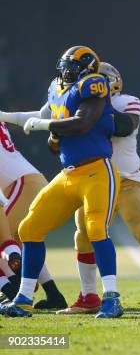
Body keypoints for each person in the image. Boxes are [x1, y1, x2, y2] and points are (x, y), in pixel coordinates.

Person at [57, 62, 140, 314]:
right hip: (94, 180)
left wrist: (87, 117)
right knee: (84, 235)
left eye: (95, 81)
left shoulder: (127, 102)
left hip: (127, 178)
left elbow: (123, 126)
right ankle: (88, 296)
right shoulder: (74, 104)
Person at [0, 46, 123, 318]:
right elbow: (43, 115)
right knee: (30, 228)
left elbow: (82, 123)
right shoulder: (58, 88)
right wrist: (5, 116)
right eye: (64, 66)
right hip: (69, 174)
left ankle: (111, 298)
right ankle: (23, 298)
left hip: (96, 171)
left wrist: (43, 127)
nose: (66, 72)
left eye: (72, 67)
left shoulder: (94, 85)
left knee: (95, 229)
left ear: (88, 68)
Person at [0, 122, 67, 309]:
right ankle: (54, 295)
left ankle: (12, 292)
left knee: (7, 243)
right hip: (27, 182)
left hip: (22, 184)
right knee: (25, 242)